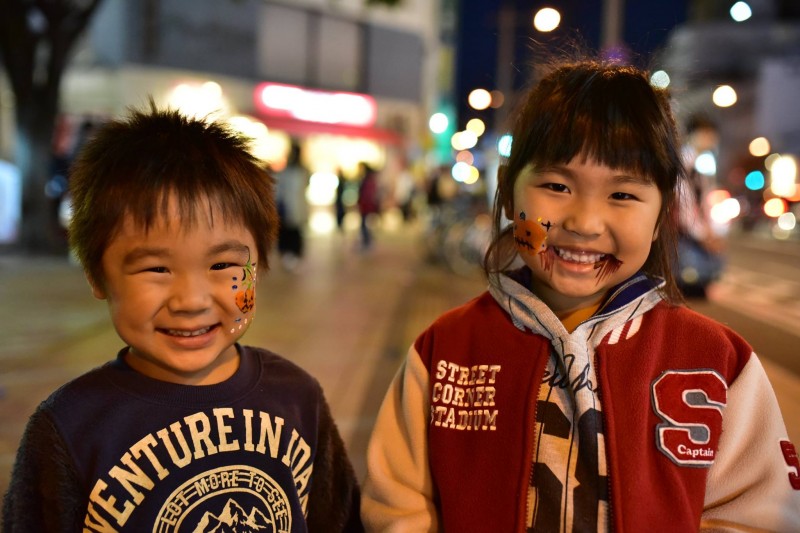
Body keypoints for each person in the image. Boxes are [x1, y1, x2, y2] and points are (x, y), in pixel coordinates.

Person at [361, 59, 800, 531]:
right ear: (507, 192)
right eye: (556, 186)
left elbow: (759, 514)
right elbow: (398, 507)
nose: (585, 223)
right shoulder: (443, 350)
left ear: (662, 215)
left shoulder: (720, 362)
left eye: (622, 195)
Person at [1, 105, 363, 532]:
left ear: (260, 265)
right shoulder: (69, 428)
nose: (191, 301)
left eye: (223, 266)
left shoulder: (298, 399)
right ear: (97, 276)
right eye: (156, 269)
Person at [674, 113, 725, 298]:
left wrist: (709, 231)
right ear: (693, 135)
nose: (711, 140)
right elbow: (684, 204)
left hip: (688, 235)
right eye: (706, 134)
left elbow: (702, 203)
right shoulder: (683, 164)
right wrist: (703, 235)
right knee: (685, 290)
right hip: (680, 238)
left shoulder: (698, 166)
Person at [275, 140, 310, 270]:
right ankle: (289, 255)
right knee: (289, 233)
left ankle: (293, 255)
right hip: (289, 209)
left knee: (294, 233)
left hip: (296, 209)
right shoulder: (291, 172)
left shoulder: (300, 171)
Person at [356, 162, 380, 251]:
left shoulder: (367, 180)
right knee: (364, 224)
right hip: (365, 206)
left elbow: (367, 195)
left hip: (365, 206)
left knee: (364, 224)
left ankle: (367, 241)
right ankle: (367, 240)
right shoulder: (368, 179)